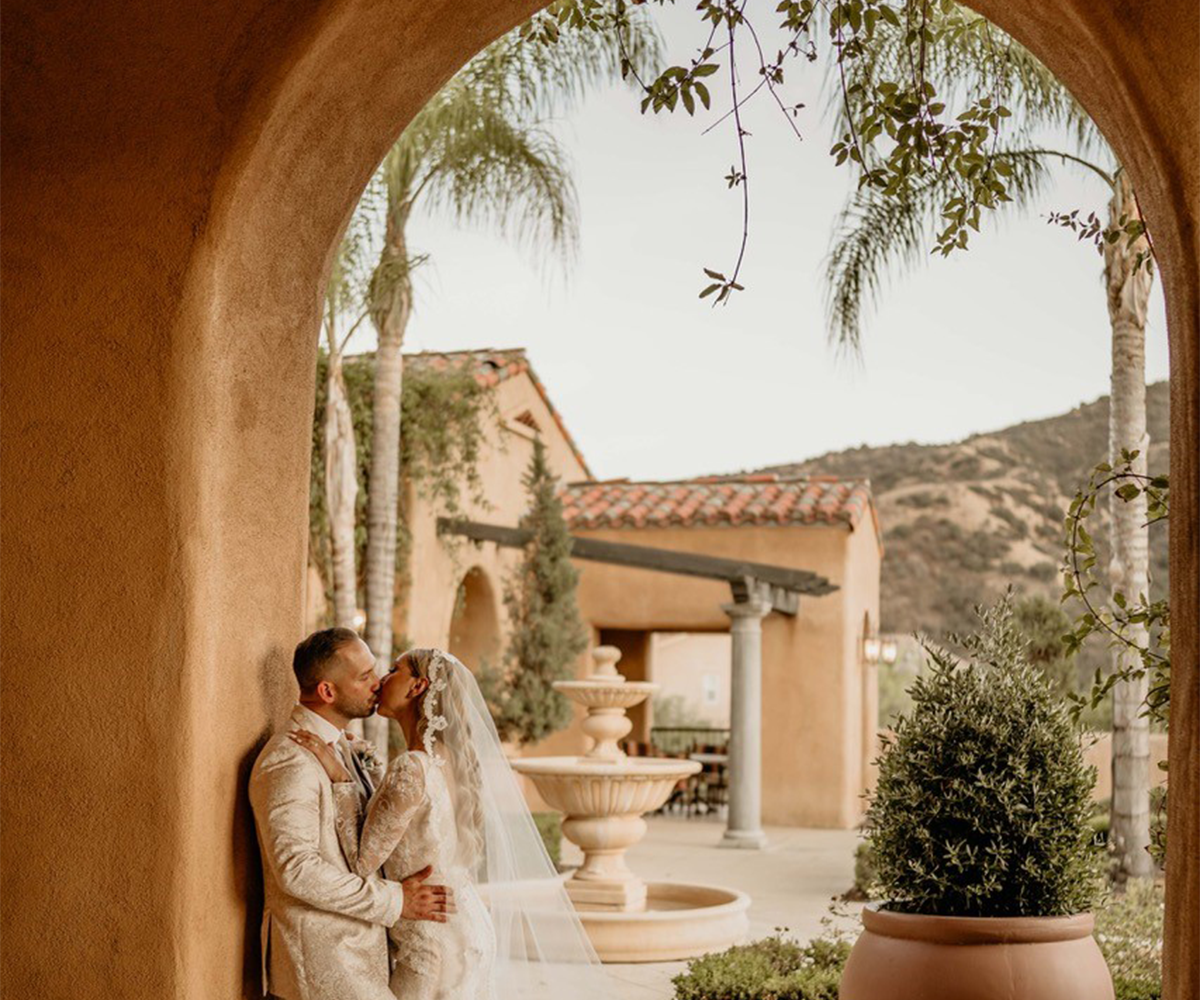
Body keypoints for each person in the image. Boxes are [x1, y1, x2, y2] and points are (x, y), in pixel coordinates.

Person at [291, 647, 608, 1000]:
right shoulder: (449, 761)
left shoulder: (413, 766)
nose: (382, 678)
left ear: (418, 687)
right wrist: (363, 759)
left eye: (395, 669)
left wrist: (340, 778)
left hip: (432, 946)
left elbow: (362, 861)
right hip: (466, 929)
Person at [249, 628, 455, 1000]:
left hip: (365, 957)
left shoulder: (347, 749)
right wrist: (396, 901)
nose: (377, 683)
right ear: (327, 692)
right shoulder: (291, 759)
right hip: (324, 960)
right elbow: (295, 869)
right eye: (364, 677)